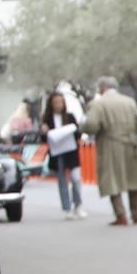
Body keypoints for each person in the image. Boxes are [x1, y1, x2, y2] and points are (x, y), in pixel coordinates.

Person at [80, 75, 137, 227]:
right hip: (131, 143)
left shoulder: (98, 104)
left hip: (110, 145)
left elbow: (91, 125)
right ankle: (136, 214)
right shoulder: (130, 102)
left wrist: (82, 126)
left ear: (102, 88)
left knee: (112, 180)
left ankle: (120, 215)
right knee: (134, 180)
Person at [40, 89, 83, 217]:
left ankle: (78, 204)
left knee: (76, 178)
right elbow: (43, 139)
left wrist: (75, 131)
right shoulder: (47, 119)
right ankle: (67, 208)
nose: (58, 105)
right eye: (56, 102)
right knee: (62, 180)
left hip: (71, 151)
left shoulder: (70, 117)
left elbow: (77, 134)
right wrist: (44, 131)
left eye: (60, 102)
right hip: (57, 152)